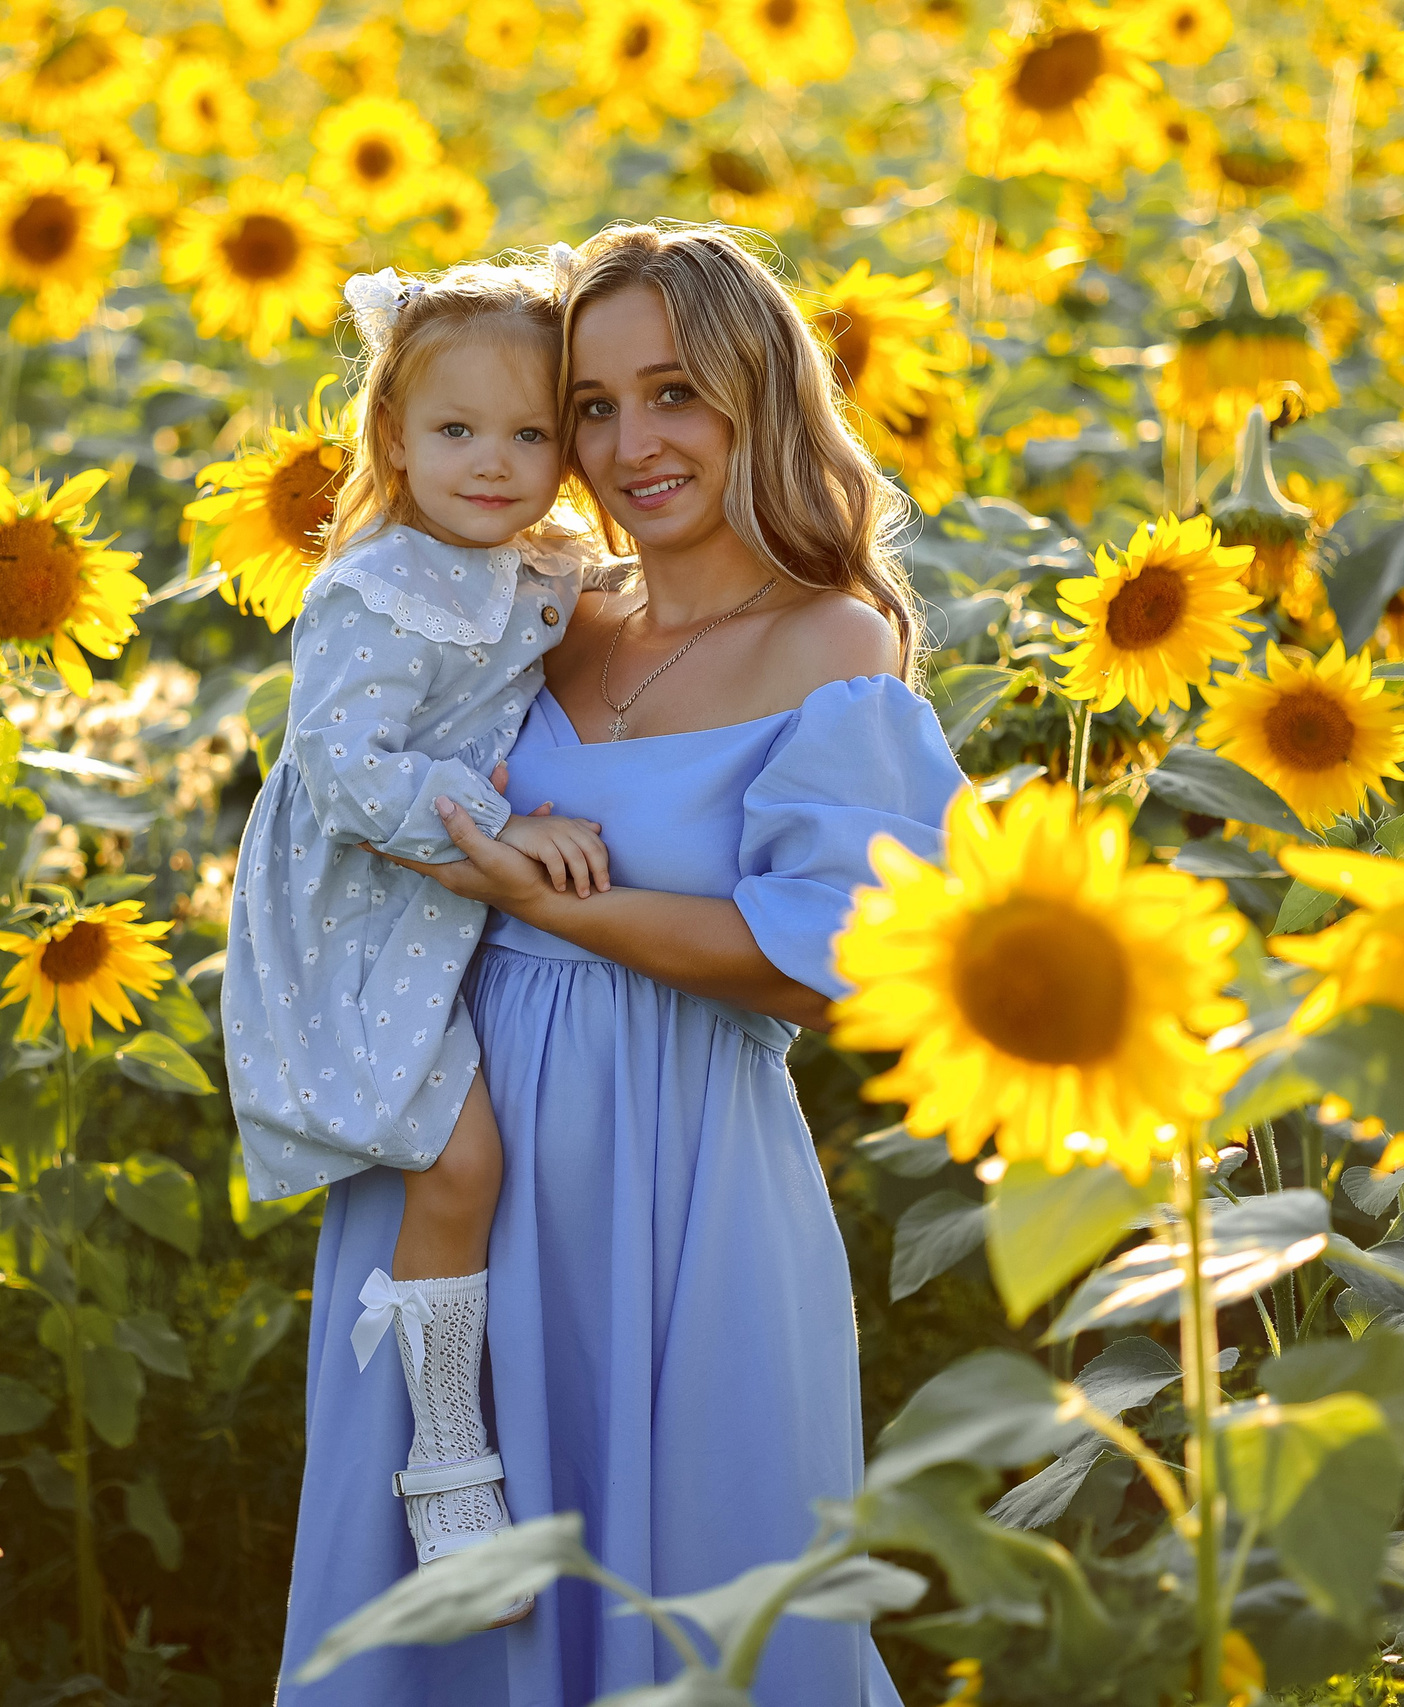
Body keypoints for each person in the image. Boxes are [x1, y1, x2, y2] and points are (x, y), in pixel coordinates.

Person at [274, 224, 967, 1705]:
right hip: (450, 1147)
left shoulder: (835, 644)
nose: (629, 442)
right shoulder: (538, 603)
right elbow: (353, 774)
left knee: (698, 1596)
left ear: (759, 401)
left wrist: (548, 896)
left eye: (676, 393)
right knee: (435, 1604)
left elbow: (825, 964)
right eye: (590, 405)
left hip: (678, 1177)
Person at [223, 259, 612, 1618]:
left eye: (531, 434)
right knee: (462, 1163)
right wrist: (500, 830)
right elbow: (341, 771)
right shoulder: (378, 588)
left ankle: (456, 1440)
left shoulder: (526, 565)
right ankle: (444, 1463)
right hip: (356, 912)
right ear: (391, 437)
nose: (495, 465)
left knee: (480, 1161)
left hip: (430, 906)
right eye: (457, 432)